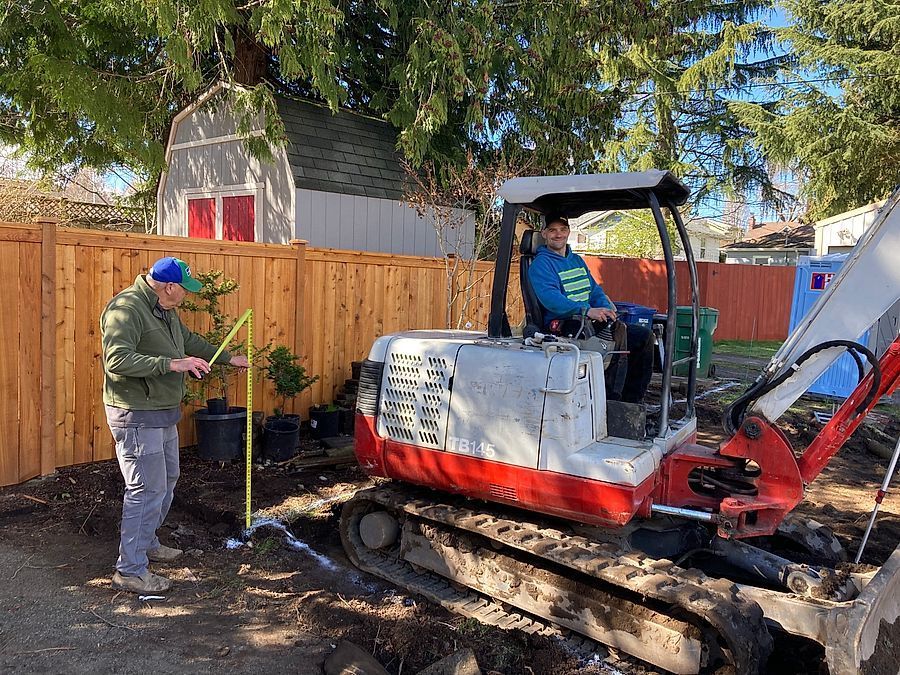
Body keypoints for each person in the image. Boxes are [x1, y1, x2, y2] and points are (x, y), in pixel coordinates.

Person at [100, 256, 249, 594]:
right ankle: (130, 570)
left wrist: (227, 358)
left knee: (166, 480)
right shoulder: (126, 308)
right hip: (137, 415)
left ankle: (147, 541)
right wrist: (171, 364)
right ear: (169, 287)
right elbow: (117, 360)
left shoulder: (165, 310)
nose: (187, 295)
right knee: (145, 489)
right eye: (185, 289)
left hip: (163, 412)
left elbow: (189, 341)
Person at [528, 216, 655, 404]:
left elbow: (594, 290)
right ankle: (611, 400)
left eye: (562, 229)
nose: (558, 234)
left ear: (568, 232)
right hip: (566, 323)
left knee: (643, 337)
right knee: (618, 345)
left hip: (587, 319)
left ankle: (631, 403)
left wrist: (605, 307)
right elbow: (551, 299)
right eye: (553, 230)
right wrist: (586, 311)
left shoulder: (577, 260)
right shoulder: (541, 264)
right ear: (544, 234)